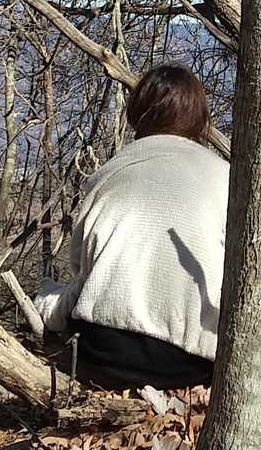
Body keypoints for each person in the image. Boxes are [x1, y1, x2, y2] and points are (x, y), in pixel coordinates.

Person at [34, 64, 228, 389]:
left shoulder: (107, 175)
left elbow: (83, 271)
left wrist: (48, 301)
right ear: (200, 117)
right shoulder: (226, 177)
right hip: (190, 365)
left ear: (137, 113)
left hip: (103, 354)